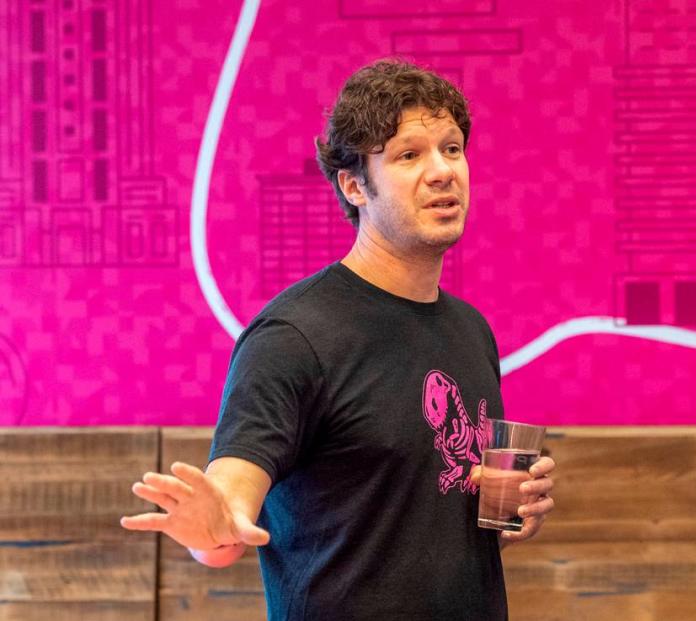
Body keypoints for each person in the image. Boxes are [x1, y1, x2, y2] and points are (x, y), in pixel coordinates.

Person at [121, 59, 556, 621]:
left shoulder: (471, 330)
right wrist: (214, 527)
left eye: (452, 148)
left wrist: (514, 513)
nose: (443, 171)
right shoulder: (295, 336)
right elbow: (230, 507)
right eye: (408, 155)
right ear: (354, 185)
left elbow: (427, 530)